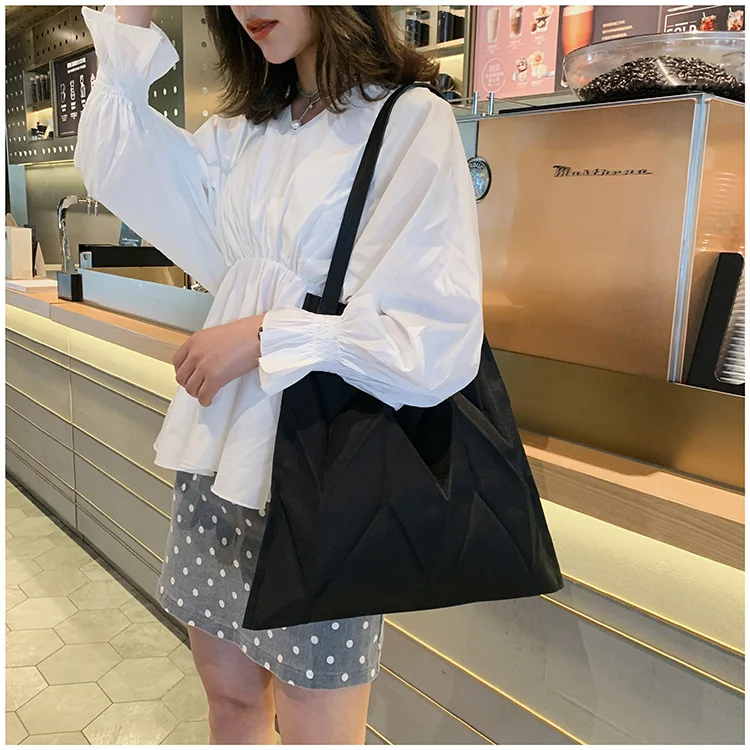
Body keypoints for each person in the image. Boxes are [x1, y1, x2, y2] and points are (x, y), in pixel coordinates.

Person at [76, 5, 483, 745]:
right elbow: (113, 155)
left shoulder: (405, 121)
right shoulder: (244, 132)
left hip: (326, 464)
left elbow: (434, 339)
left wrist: (266, 335)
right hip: (220, 456)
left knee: (316, 723)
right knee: (230, 702)